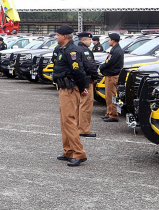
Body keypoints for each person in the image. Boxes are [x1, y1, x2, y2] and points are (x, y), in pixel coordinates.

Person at [51, 25, 90, 166]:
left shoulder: (72, 51)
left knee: (69, 120)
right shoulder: (63, 49)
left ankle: (79, 153)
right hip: (63, 88)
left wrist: (82, 87)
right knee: (64, 121)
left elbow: (78, 71)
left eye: (58, 35)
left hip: (70, 89)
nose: (56, 37)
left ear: (65, 36)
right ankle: (68, 151)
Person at [76, 32, 101, 137]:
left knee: (80, 105)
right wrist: (95, 76)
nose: (91, 42)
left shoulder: (77, 49)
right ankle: (84, 130)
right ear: (83, 40)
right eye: (89, 40)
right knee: (86, 105)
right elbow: (90, 66)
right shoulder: (85, 51)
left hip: (80, 80)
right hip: (87, 80)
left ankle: (78, 127)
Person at [98, 32, 125, 122]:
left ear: (112, 40)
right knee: (108, 96)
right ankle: (109, 112)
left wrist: (101, 67)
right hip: (110, 75)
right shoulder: (115, 49)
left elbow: (109, 62)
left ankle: (113, 114)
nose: (108, 41)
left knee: (112, 96)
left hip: (112, 76)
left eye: (109, 39)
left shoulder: (116, 51)